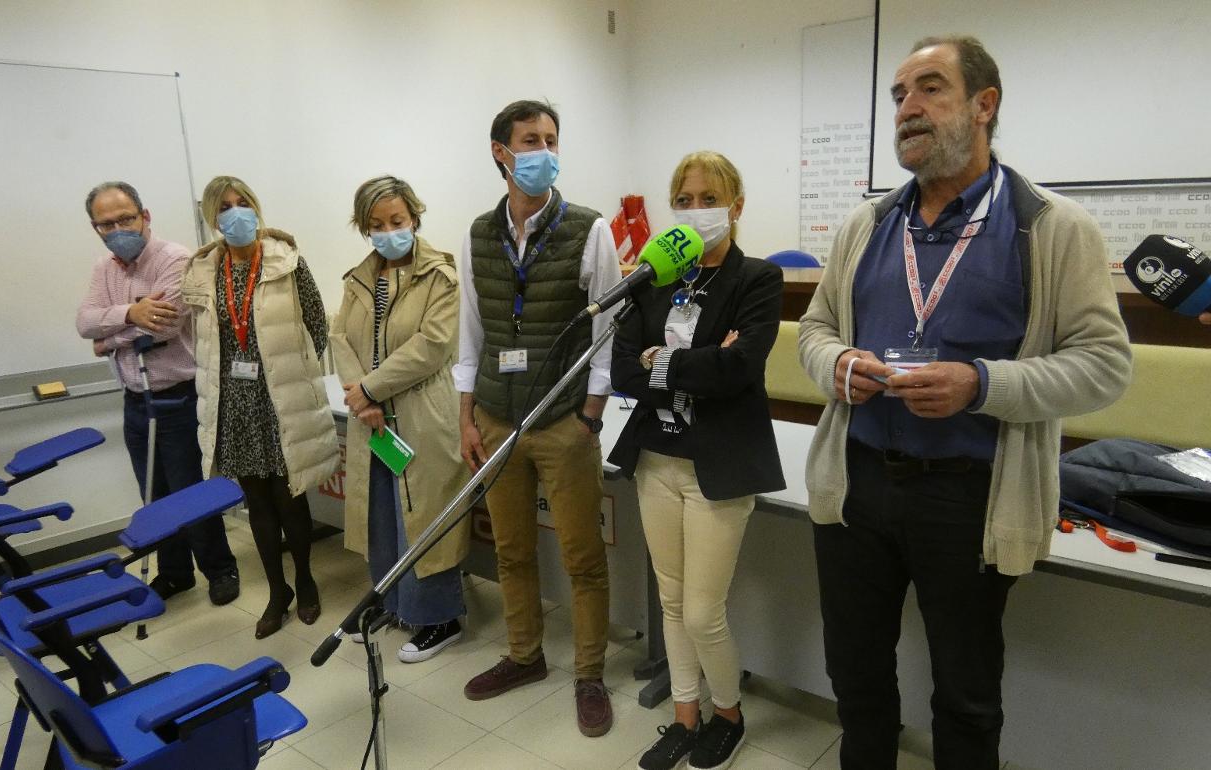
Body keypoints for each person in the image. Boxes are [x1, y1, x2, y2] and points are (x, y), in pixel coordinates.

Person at [798, 36, 1131, 769]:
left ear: (985, 106)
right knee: (855, 681)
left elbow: (1105, 366)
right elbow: (813, 331)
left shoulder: (1051, 227)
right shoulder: (867, 226)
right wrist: (837, 365)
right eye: (898, 95)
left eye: (930, 89)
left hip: (971, 499)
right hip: (858, 485)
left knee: (967, 698)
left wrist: (981, 385)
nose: (907, 109)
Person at [609, 151, 784, 770]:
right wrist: (696, 361)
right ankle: (685, 715)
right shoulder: (656, 276)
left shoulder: (756, 279)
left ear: (735, 207)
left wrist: (669, 361)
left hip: (719, 466)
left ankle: (729, 713)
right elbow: (625, 368)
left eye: (708, 198)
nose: (693, 210)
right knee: (673, 601)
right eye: (682, 200)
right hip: (656, 457)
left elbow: (740, 370)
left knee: (706, 611)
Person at [455, 99, 623, 737]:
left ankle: (588, 674)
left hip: (562, 421)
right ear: (502, 152)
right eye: (532, 140)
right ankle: (524, 656)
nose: (545, 151)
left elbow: (608, 330)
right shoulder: (476, 233)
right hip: (497, 419)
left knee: (583, 557)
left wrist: (590, 415)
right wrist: (468, 416)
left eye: (552, 138)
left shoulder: (590, 227)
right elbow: (472, 333)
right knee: (512, 551)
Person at [181, 175, 337, 640]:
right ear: (213, 218)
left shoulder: (286, 262)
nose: (236, 212)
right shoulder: (203, 271)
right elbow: (201, 338)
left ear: (256, 206)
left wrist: (291, 370)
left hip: (280, 395)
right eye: (225, 206)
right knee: (258, 505)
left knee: (291, 499)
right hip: (236, 402)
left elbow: (317, 324)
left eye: (243, 202)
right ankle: (277, 591)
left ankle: (305, 582)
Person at [75, 181, 240, 606]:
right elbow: (85, 322)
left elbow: (164, 323)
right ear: (96, 228)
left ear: (144, 216)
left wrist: (108, 339)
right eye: (106, 223)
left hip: (179, 396)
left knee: (190, 493)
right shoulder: (103, 269)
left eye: (125, 218)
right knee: (155, 495)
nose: (117, 229)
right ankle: (175, 573)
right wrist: (130, 312)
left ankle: (220, 570)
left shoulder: (176, 258)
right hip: (136, 398)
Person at [329, 175, 471, 661]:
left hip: (421, 413)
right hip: (372, 418)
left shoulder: (441, 276)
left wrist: (368, 388)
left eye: (397, 221)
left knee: (426, 519)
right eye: (376, 224)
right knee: (384, 516)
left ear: (414, 217)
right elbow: (340, 339)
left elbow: (431, 347)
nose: (388, 231)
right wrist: (361, 396)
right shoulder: (358, 279)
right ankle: (393, 602)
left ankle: (440, 618)